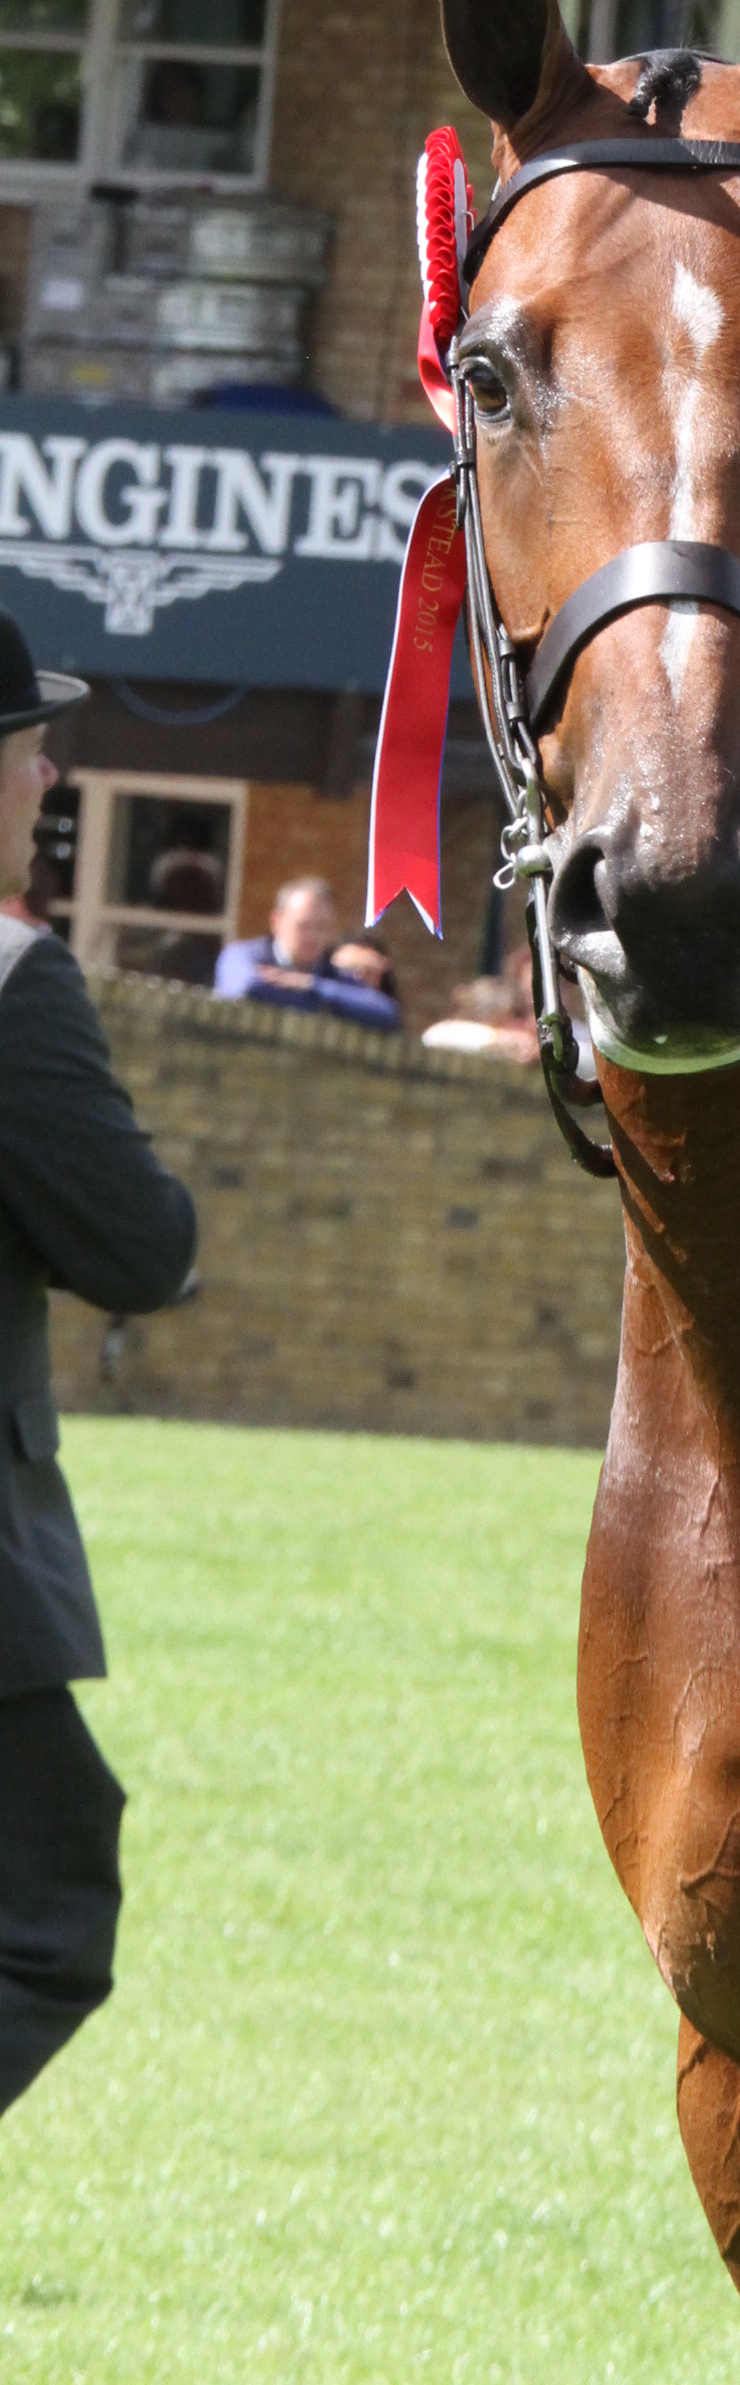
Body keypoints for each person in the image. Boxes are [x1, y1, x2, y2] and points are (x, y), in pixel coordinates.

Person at [0, 611, 198, 2120]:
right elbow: (141, 1249)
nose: (50, 771)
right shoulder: (10, 984)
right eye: (26, 749)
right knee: (44, 1921)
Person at [212, 878, 402, 1032]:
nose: (312, 936)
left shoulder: (327, 974)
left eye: (321, 927)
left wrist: (310, 985)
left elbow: (385, 1012)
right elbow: (246, 988)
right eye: (303, 926)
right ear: (276, 921)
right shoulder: (243, 956)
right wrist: (326, 1006)